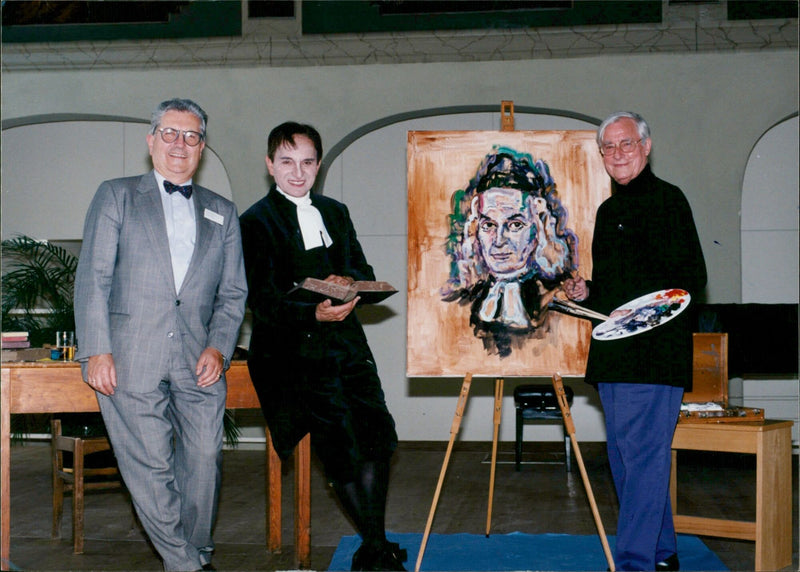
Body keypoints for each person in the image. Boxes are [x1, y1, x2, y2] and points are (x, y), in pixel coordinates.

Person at [74, 98, 248, 571]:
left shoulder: (223, 212)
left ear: (203, 148)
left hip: (200, 359)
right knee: (149, 467)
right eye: (169, 133)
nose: (179, 144)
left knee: (204, 461)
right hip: (130, 356)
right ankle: (185, 563)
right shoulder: (116, 195)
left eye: (191, 136)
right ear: (151, 141)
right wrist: (96, 350)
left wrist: (219, 346)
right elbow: (93, 277)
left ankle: (194, 550)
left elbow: (233, 294)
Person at [239, 122, 406, 571]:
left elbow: (360, 267)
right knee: (342, 449)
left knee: (377, 438)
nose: (298, 172)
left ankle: (374, 545)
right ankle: (377, 547)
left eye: (308, 162)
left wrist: (349, 283)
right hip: (297, 355)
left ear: (318, 166)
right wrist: (313, 312)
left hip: (348, 345)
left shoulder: (336, 211)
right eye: (288, 162)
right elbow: (262, 298)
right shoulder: (255, 221)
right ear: (270, 165)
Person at [563, 111, 707, 571]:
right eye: (609, 146)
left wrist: (644, 310)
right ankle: (662, 552)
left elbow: (692, 279)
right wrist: (588, 291)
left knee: (642, 460)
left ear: (646, 147)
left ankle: (633, 562)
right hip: (615, 356)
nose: (618, 153)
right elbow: (612, 289)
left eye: (626, 144)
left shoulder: (669, 201)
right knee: (627, 461)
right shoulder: (608, 211)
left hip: (653, 354)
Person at [441, 148, 579, 357]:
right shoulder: (461, 303)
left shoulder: (559, 301)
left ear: (538, 228)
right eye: (488, 225)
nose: (499, 241)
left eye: (515, 224)